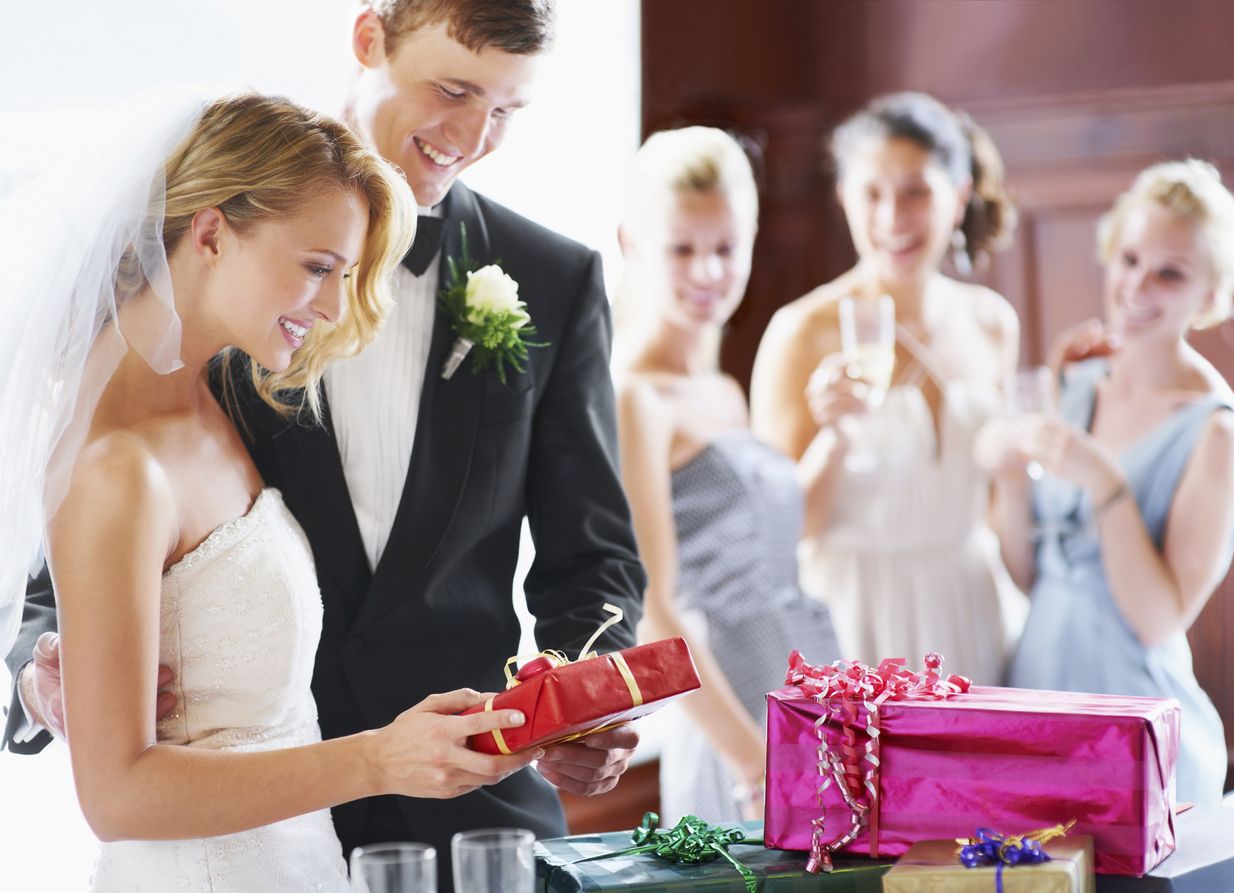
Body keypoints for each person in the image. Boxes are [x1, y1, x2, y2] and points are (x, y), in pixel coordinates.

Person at [6, 1, 647, 885]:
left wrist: (582, 699)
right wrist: (51, 673)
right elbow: (66, 560)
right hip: (239, 818)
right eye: (453, 89)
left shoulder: (555, 278)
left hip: (472, 812)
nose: (472, 133)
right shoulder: (216, 303)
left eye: (505, 109)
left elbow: (593, 558)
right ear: (368, 40)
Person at [978, 159, 1234, 806]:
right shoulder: (1075, 385)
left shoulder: (1215, 430)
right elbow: (1029, 573)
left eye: (1170, 273)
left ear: (1208, 296)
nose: (1138, 286)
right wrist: (1008, 481)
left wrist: (1105, 482)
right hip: (1033, 694)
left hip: (1132, 717)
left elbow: (1158, 617)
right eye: (1129, 259)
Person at [750, 92, 1021, 684]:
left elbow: (1001, 509)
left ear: (959, 196)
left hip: (969, 606)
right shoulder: (803, 332)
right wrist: (836, 438)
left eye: (916, 192)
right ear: (845, 198)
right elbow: (779, 537)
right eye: (872, 193)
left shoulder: (992, 322)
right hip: (855, 617)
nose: (892, 218)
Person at [614, 127, 840, 823]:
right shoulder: (636, 398)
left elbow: (785, 542)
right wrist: (752, 758)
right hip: (731, 716)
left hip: (807, 689)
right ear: (632, 245)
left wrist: (840, 430)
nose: (708, 272)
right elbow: (655, 611)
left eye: (726, 248)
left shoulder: (721, 390)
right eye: (683, 248)